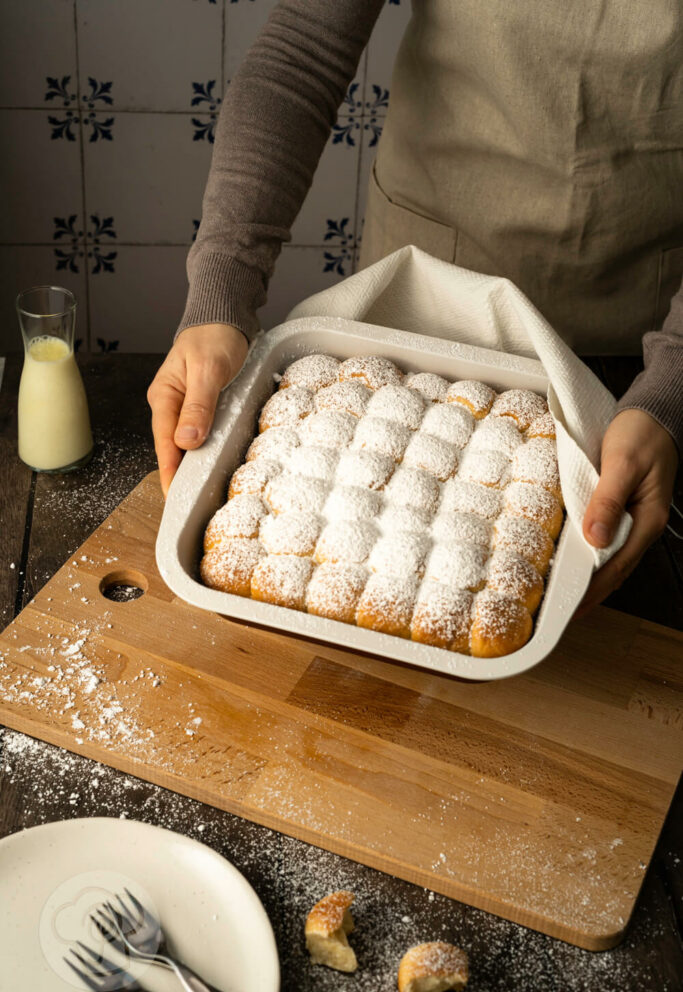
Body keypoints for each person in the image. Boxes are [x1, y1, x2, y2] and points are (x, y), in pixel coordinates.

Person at [148, 0, 682, 616]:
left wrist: (672, 393)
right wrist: (222, 291)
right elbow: (302, 51)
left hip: (641, 338)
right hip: (420, 290)